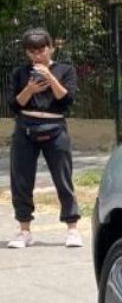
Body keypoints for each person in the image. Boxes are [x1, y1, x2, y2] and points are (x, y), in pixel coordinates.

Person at [7, 28, 81, 248]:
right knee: (21, 180)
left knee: (63, 178)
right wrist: (29, 89)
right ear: (26, 52)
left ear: (51, 48)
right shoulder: (20, 73)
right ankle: (24, 230)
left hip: (55, 126)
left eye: (42, 50)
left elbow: (67, 100)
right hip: (25, 127)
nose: (38, 55)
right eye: (32, 51)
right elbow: (14, 104)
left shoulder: (65, 70)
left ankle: (72, 228)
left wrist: (50, 77)